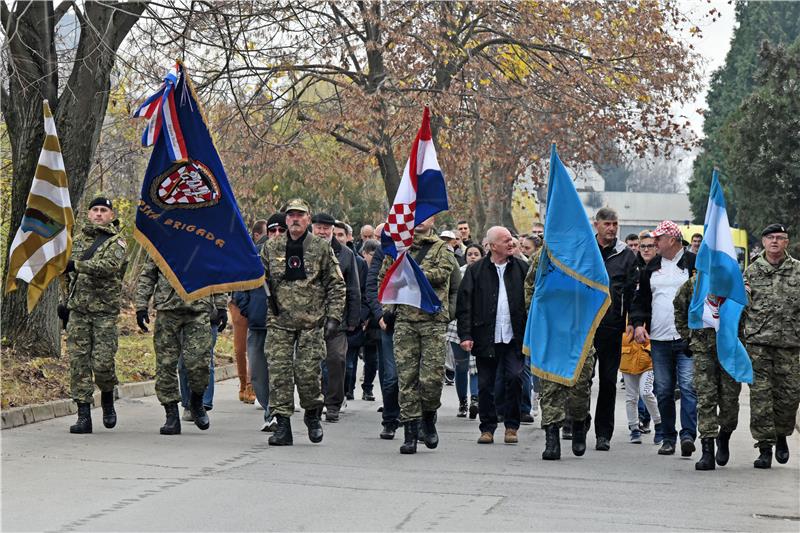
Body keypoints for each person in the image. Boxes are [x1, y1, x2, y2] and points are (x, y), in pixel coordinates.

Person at [261, 199, 345, 445]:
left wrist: (333, 317)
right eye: (291, 215)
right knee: (279, 374)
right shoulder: (271, 247)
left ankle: (312, 414)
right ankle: (283, 426)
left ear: (308, 219)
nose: (295, 219)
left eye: (300, 215)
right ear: (285, 219)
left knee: (308, 374)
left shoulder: (320, 247)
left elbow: (336, 284)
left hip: (311, 322)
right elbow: (260, 278)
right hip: (279, 323)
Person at [379, 216, 459, 454]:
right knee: (407, 380)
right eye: (416, 217)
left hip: (432, 322)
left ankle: (428, 416)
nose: (421, 221)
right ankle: (410, 433)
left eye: (426, 217)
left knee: (431, 379)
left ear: (433, 220)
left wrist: (409, 271)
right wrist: (387, 311)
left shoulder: (441, 249)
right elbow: (385, 278)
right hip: (405, 321)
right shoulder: (398, 248)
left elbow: (441, 275)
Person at [135, 256, 228, 435]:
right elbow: (148, 275)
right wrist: (141, 306)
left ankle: (196, 400)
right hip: (167, 309)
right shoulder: (160, 238)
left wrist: (221, 305)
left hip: (199, 308)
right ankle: (171, 414)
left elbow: (217, 271)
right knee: (166, 364)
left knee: (199, 362)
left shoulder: (204, 238)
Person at [61, 197, 127, 434]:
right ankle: (83, 416)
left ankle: (107, 398)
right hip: (79, 311)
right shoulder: (75, 242)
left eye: (104, 210)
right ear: (88, 214)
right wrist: (64, 303)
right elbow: (66, 276)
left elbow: (108, 267)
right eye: (95, 210)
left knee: (102, 363)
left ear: (111, 215)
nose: (99, 214)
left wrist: (75, 265)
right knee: (78, 364)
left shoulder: (117, 243)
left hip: (104, 313)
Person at [457, 227, 529, 445]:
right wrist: (465, 334)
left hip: (514, 336)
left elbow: (533, 301)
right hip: (484, 335)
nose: (511, 243)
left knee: (515, 378)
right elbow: (464, 304)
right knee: (486, 384)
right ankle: (487, 428)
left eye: (512, 239)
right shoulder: (476, 270)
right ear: (492, 245)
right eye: (506, 240)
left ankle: (511, 426)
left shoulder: (522, 268)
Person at [632, 219, 697, 457]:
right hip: (659, 339)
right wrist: (638, 324)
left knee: (689, 388)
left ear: (672, 240)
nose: (654, 243)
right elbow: (641, 301)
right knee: (663, 390)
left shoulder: (694, 264)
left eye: (658, 239)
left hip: (687, 339)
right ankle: (668, 437)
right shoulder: (652, 267)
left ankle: (688, 434)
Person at [742, 223, 800, 469]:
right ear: (764, 241)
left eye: (781, 238)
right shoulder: (751, 272)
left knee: (788, 397)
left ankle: (782, 434)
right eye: (771, 237)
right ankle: (764, 447)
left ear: (787, 242)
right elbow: (741, 307)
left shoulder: (798, 271)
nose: (775, 241)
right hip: (759, 345)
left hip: (791, 344)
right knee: (761, 398)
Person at [581, 207, 639, 451]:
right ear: (597, 225)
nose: (612, 228)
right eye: (607, 224)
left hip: (612, 328)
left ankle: (603, 433)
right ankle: (578, 423)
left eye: (615, 224)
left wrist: (633, 322)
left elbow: (633, 292)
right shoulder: (585, 250)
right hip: (584, 326)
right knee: (582, 380)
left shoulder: (626, 255)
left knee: (608, 382)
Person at [674, 275, 740, 470]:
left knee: (729, 404)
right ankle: (707, 451)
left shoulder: (734, 281)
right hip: (703, 349)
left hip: (729, 349)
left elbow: (746, 311)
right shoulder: (695, 283)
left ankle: (724, 436)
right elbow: (679, 306)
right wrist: (685, 335)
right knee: (706, 400)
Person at [232, 215, 284, 432]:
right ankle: (267, 405)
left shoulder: (296, 254)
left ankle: (275, 414)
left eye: (281, 230)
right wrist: (249, 308)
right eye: (273, 231)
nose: (277, 235)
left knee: (281, 371)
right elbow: (240, 285)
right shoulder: (253, 255)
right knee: (258, 374)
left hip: (284, 326)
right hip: (258, 323)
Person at [313, 213, 361, 422]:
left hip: (337, 318)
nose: (322, 231)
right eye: (319, 227)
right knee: (311, 363)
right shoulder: (304, 249)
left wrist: (353, 319)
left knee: (336, 359)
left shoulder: (346, 254)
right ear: (312, 227)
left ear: (332, 230)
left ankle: (333, 404)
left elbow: (353, 288)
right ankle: (314, 402)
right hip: (309, 317)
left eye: (326, 228)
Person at [365, 223, 402, 440]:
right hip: (389, 323)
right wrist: (379, 315)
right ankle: (390, 420)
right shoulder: (384, 251)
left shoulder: (430, 250)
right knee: (391, 377)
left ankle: (420, 419)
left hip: (419, 323)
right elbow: (372, 285)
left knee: (420, 376)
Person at [448, 244, 483, 418]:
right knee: (461, 366)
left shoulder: (485, 272)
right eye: (470, 254)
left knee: (475, 366)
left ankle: (475, 399)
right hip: (457, 326)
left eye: (476, 254)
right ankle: (463, 401)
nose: (473, 257)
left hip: (479, 326)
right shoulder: (458, 272)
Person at [349, 239, 380, 401]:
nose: (373, 258)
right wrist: (360, 318)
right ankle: (349, 388)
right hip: (359, 318)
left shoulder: (379, 269)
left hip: (375, 319)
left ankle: (368, 388)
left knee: (372, 358)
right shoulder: (360, 267)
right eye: (371, 255)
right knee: (352, 356)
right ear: (364, 253)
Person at [619, 324, 662, 445]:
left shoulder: (648, 312)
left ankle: (659, 423)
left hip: (647, 362)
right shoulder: (624, 314)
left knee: (646, 392)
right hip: (627, 359)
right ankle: (634, 428)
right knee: (631, 397)